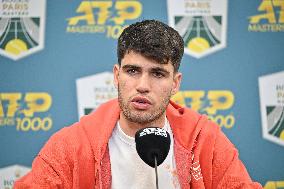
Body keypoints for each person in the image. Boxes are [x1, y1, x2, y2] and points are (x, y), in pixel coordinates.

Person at [14, 20, 262, 189]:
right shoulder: (73, 145)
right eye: (133, 70)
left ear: (175, 83)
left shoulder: (204, 140)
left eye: (157, 73)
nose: (143, 85)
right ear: (116, 75)